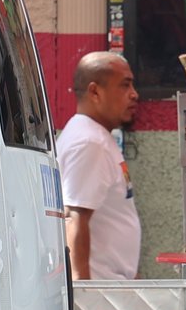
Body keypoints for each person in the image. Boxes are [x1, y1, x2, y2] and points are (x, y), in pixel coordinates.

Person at [60, 51, 142, 282]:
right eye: (125, 85)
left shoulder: (97, 137)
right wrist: (84, 290)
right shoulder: (89, 142)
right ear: (95, 91)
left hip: (111, 288)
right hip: (99, 294)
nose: (134, 94)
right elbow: (75, 217)